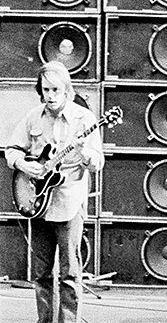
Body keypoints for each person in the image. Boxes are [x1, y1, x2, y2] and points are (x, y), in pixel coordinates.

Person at [4, 61, 105, 323]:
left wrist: (83, 152)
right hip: (37, 202)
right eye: (45, 90)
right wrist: (23, 163)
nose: (50, 96)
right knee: (42, 272)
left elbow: (98, 161)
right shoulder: (33, 117)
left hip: (69, 200)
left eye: (55, 90)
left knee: (70, 272)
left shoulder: (85, 119)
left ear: (67, 91)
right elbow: (12, 150)